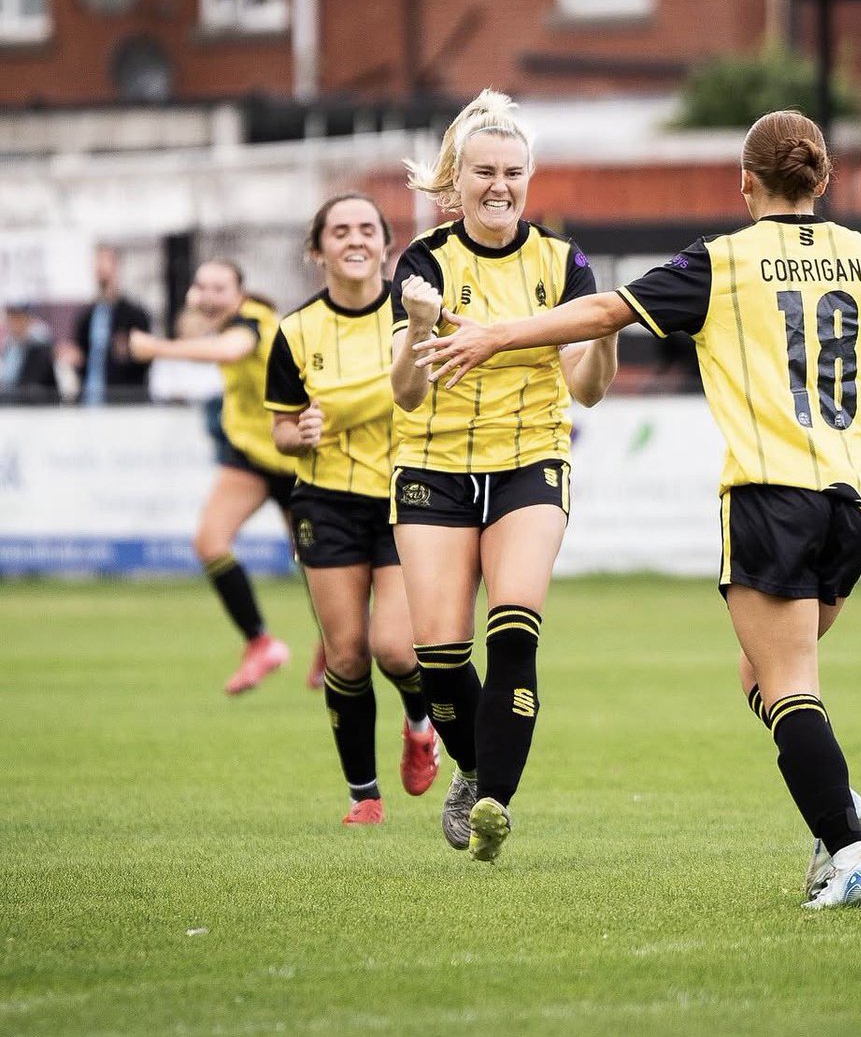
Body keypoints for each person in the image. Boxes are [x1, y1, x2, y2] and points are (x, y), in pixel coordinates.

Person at [413, 108, 861, 907]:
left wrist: (494, 336)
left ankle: (848, 852)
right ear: (822, 180)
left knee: (787, 684)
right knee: (765, 673)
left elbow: (605, 313)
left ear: (745, 183)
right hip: (855, 506)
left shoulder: (723, 261)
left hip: (773, 497)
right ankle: (833, 802)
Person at [389, 90, 618, 861]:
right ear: (457, 181)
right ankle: (472, 768)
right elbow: (406, 394)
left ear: (529, 178)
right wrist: (419, 327)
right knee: (439, 656)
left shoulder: (563, 262)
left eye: (513, 173)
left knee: (515, 628)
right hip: (434, 467)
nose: (500, 186)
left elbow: (586, 388)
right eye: (485, 172)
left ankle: (493, 802)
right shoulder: (424, 263)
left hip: (529, 461)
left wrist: (606, 333)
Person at [265, 193, 440, 824]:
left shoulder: (416, 314)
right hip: (326, 503)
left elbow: (424, 387)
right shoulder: (295, 330)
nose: (355, 239)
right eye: (340, 231)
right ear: (318, 250)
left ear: (387, 244)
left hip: (404, 497)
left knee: (394, 647)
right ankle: (363, 796)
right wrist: (302, 433)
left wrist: (340, 408)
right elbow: (281, 430)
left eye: (367, 228)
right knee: (345, 656)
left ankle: (421, 723)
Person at [129, 261, 298, 695]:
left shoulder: (252, 322)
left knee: (319, 565)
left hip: (301, 456)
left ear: (240, 293)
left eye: (219, 288)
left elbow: (231, 350)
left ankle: (340, 647)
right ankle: (260, 642)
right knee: (209, 542)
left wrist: (156, 348)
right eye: (201, 287)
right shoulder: (225, 321)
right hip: (253, 455)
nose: (208, 296)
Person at [69, 245, 152, 404]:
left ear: (117, 267)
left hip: (122, 400)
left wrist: (127, 353)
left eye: (105, 261)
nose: (100, 267)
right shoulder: (86, 316)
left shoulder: (134, 315)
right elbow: (82, 358)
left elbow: (145, 360)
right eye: (97, 262)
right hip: (89, 398)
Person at [0, 303, 60, 404]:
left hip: (32, 406)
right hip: (9, 403)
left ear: (28, 320)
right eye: (11, 319)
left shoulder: (39, 349)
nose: (14, 324)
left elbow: (32, 386)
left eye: (18, 319)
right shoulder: (9, 347)